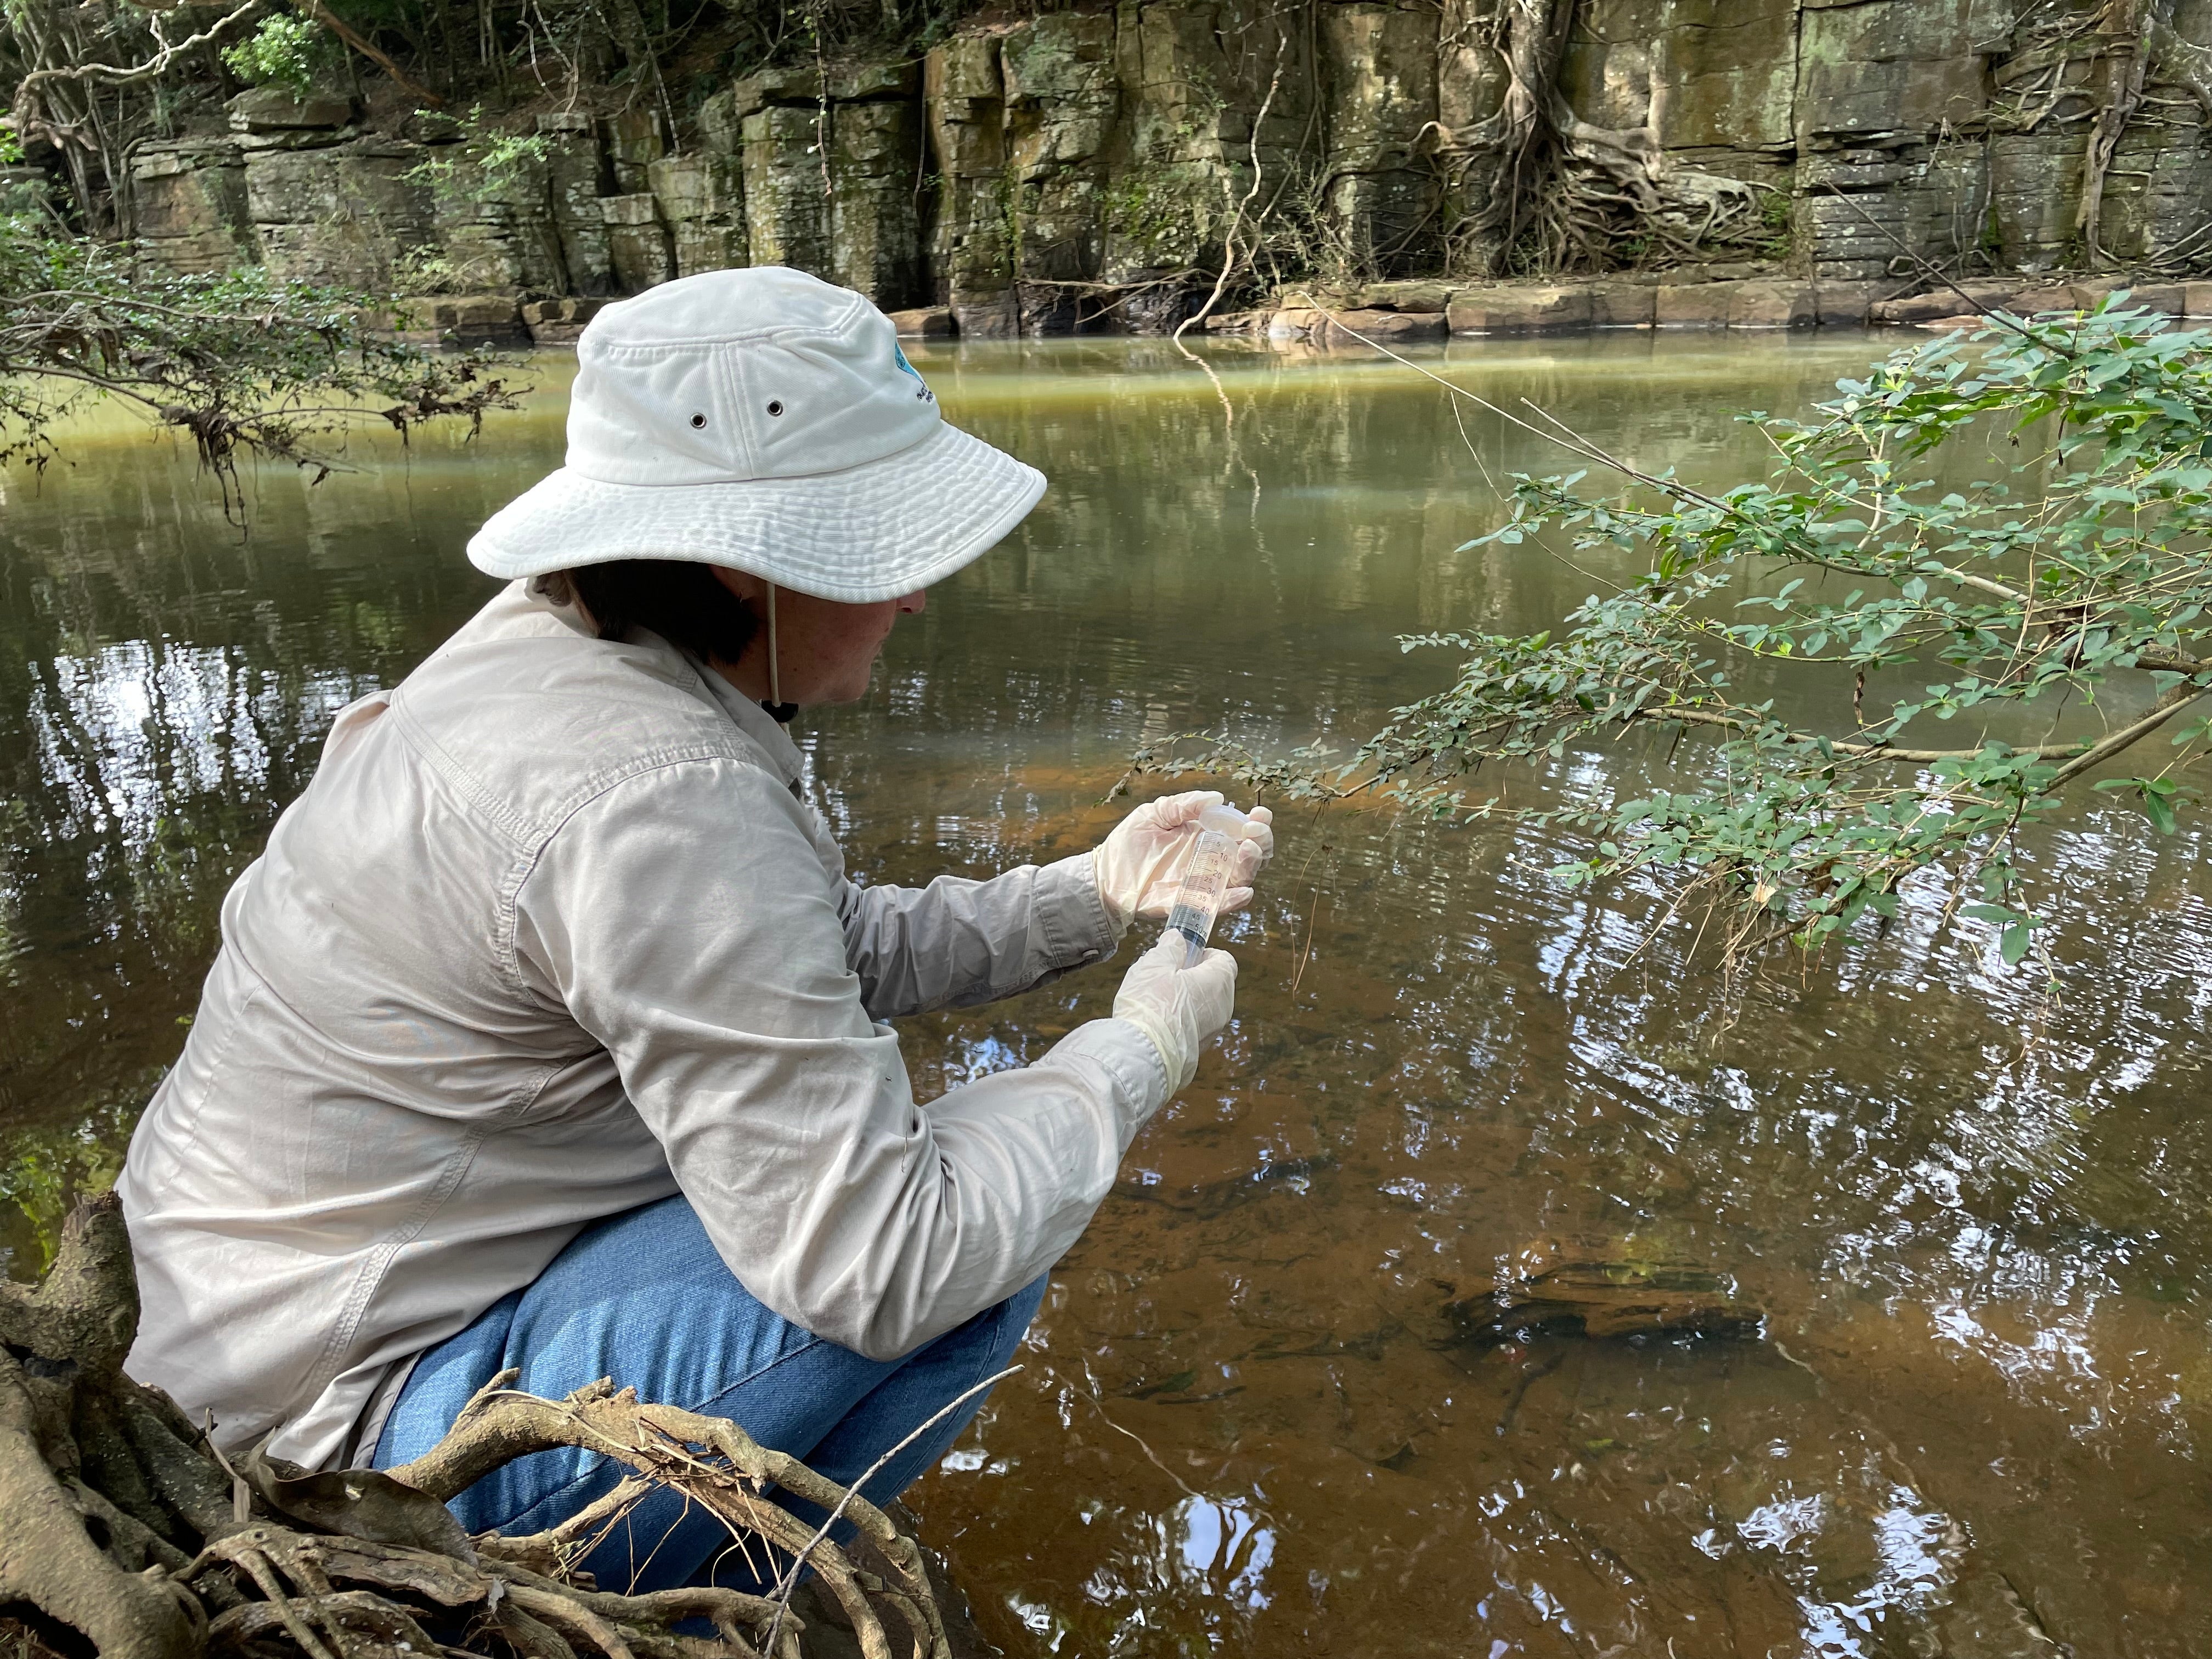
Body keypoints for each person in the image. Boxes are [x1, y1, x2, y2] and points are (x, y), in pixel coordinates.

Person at [117, 266, 1272, 1593]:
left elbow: (809, 950)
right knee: (979, 1243)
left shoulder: (559, 651)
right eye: (888, 548)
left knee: (926, 1171)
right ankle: (703, 1597)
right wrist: (1136, 1056)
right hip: (331, 1439)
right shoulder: (657, 796)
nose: (918, 597)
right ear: (741, 558)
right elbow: (885, 1264)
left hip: (229, 1350)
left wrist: (1090, 892)